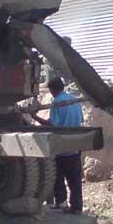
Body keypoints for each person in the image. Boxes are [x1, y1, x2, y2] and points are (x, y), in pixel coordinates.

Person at [31, 76, 83, 214]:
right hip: (75, 144)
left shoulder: (56, 102)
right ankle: (77, 207)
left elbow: (53, 124)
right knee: (75, 180)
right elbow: (81, 120)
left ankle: (61, 202)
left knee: (58, 176)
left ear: (52, 89)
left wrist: (35, 117)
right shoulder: (75, 100)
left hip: (61, 146)